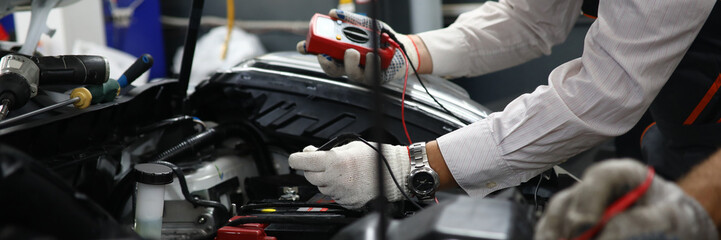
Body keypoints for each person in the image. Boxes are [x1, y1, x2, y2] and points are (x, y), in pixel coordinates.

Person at [289, 0, 721, 236]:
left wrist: (415, 166)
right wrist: (409, 54)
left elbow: (603, 93)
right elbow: (529, 18)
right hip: (678, 126)